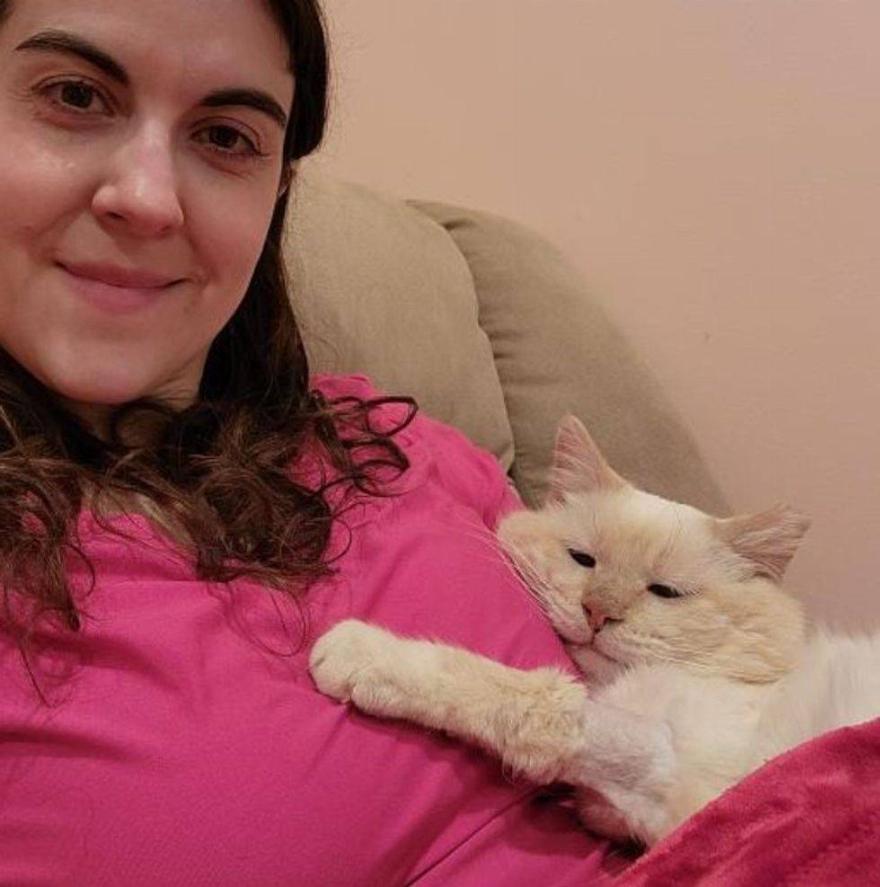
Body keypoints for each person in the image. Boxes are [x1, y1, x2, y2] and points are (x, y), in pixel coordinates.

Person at [0, 2, 628, 884]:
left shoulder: (399, 445)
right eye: (75, 95)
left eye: (226, 137)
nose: (147, 198)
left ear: (278, 193)